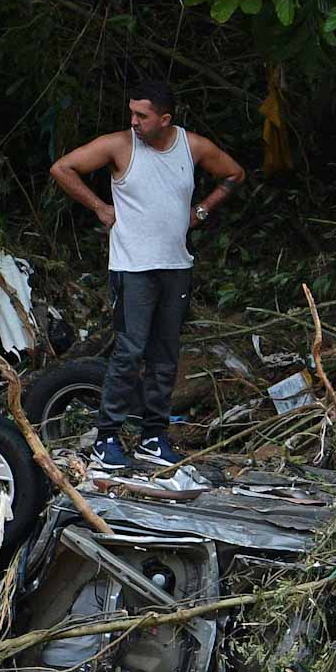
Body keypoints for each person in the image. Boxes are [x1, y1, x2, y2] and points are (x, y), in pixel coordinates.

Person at [49, 79, 245, 471]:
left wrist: (201, 212)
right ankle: (107, 438)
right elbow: (63, 168)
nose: (134, 121)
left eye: (142, 115)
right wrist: (100, 208)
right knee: (130, 351)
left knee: (165, 356)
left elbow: (234, 174)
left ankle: (152, 437)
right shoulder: (119, 145)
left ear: (165, 119)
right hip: (132, 268)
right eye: (131, 113)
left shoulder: (191, 146)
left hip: (176, 266)